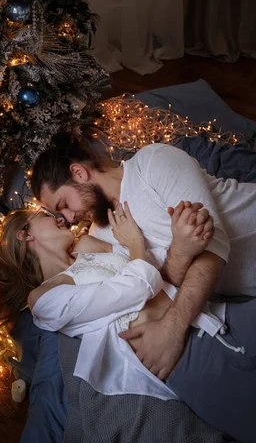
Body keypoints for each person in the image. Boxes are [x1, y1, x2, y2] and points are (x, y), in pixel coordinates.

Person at [0, 201, 256, 443]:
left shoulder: (87, 245)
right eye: (47, 216)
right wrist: (135, 244)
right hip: (187, 358)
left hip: (212, 316)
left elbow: (156, 276)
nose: (61, 218)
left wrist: (178, 243)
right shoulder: (44, 300)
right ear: (25, 235)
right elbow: (138, 285)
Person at [30, 136, 256, 381]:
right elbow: (159, 284)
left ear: (79, 173)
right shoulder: (100, 235)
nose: (69, 218)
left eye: (63, 204)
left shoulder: (153, 162)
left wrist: (172, 328)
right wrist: (179, 250)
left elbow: (213, 247)